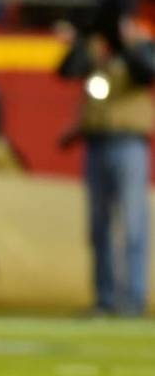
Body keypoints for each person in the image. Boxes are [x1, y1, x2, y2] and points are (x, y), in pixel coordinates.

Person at [58, 16, 153, 317]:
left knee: (133, 221)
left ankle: (133, 299)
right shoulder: (96, 51)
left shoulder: (140, 46)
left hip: (129, 142)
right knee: (99, 225)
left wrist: (127, 43)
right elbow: (66, 71)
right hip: (96, 143)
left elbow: (147, 72)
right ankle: (105, 298)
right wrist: (80, 39)